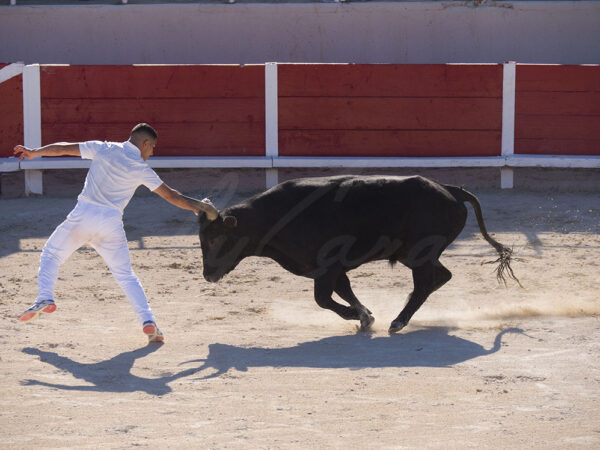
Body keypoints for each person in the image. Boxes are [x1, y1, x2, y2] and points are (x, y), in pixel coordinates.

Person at [13, 123, 218, 343]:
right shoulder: (141, 168)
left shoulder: (104, 148)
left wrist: (36, 152)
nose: (152, 152)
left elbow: (64, 147)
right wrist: (200, 206)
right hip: (110, 223)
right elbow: (172, 196)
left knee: (51, 255)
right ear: (145, 143)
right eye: (153, 147)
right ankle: (149, 322)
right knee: (125, 275)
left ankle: (44, 297)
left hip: (83, 215)